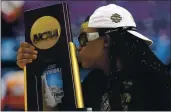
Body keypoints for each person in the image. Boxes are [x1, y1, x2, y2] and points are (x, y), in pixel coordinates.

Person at [17, 4, 171, 111]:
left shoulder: (156, 85)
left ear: (106, 41)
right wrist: (34, 67)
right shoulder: (95, 82)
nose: (79, 47)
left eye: (83, 39)